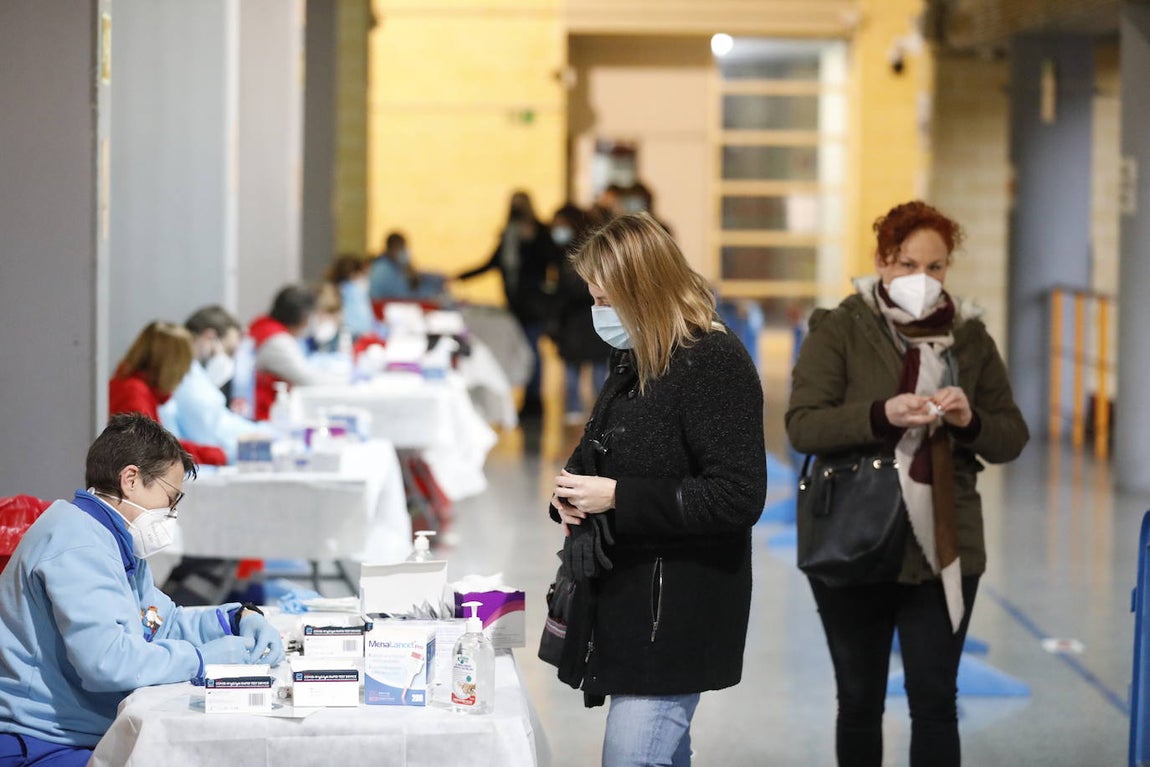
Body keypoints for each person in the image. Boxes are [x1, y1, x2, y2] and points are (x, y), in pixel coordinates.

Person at [786, 200, 1029, 767]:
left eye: (935, 266)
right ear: (881, 262)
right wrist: (881, 415)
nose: (922, 278)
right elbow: (803, 425)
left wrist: (970, 421)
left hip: (945, 544)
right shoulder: (841, 327)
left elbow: (1011, 437)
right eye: (907, 264)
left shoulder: (970, 338)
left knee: (936, 701)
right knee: (859, 701)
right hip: (853, 535)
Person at [547, 212, 766, 766]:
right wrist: (569, 495)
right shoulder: (637, 354)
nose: (599, 312)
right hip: (628, 600)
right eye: (593, 298)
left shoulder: (713, 361)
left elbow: (738, 495)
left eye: (606, 299)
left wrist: (617, 497)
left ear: (644, 290)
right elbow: (598, 450)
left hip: (675, 611)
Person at [0, 413, 285, 766]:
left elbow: (159, 623)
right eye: (170, 498)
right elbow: (108, 662)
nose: (171, 513)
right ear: (131, 479)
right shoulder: (77, 545)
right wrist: (201, 660)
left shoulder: (114, 541)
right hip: (38, 740)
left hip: (76, 731)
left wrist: (234, 619)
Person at [457, 190, 557, 418]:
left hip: (535, 305)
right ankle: (526, 395)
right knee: (521, 349)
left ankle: (534, 398)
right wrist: (462, 276)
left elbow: (552, 262)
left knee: (532, 349)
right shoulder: (508, 234)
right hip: (515, 305)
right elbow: (492, 263)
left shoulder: (540, 233)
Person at [159, 305, 272, 464]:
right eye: (228, 352)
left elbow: (219, 420)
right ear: (209, 336)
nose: (228, 360)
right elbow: (206, 431)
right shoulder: (180, 371)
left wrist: (264, 431)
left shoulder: (193, 369)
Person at [109, 321, 227, 466]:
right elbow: (153, 450)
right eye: (183, 367)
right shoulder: (134, 392)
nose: (183, 375)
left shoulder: (131, 386)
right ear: (171, 365)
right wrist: (210, 455)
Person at [547, 203, 611, 424]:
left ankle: (587, 409)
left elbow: (567, 291)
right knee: (592, 369)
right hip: (580, 322)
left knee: (588, 369)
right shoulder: (568, 252)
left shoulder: (577, 255)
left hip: (579, 321)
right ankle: (596, 410)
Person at [248, 285, 343, 421]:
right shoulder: (276, 341)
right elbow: (308, 380)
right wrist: (346, 382)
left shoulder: (265, 325)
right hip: (268, 414)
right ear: (303, 318)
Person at [326, 254, 374, 338]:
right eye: (362, 274)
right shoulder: (354, 292)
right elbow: (364, 324)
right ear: (354, 274)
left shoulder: (347, 290)